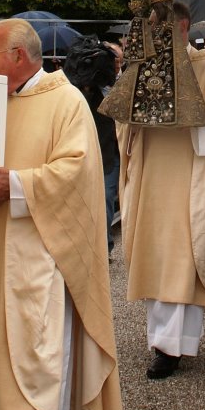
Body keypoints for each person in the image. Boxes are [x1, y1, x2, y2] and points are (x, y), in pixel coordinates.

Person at [0, 18, 123, 410]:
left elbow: (77, 173)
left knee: (37, 363)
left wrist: (15, 185)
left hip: (36, 257)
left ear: (18, 56)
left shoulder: (65, 102)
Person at [115, 0, 205, 380]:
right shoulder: (142, 68)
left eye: (161, 29)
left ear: (184, 28)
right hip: (151, 176)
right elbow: (121, 122)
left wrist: (196, 123)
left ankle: (171, 347)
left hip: (191, 178)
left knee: (180, 261)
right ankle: (166, 341)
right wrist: (133, 118)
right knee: (155, 258)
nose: (154, 35)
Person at [64, 36, 123, 260]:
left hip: (109, 152)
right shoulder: (83, 88)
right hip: (86, 149)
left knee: (106, 198)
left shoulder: (124, 84)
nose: (116, 65)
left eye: (118, 61)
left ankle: (104, 246)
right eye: (113, 61)